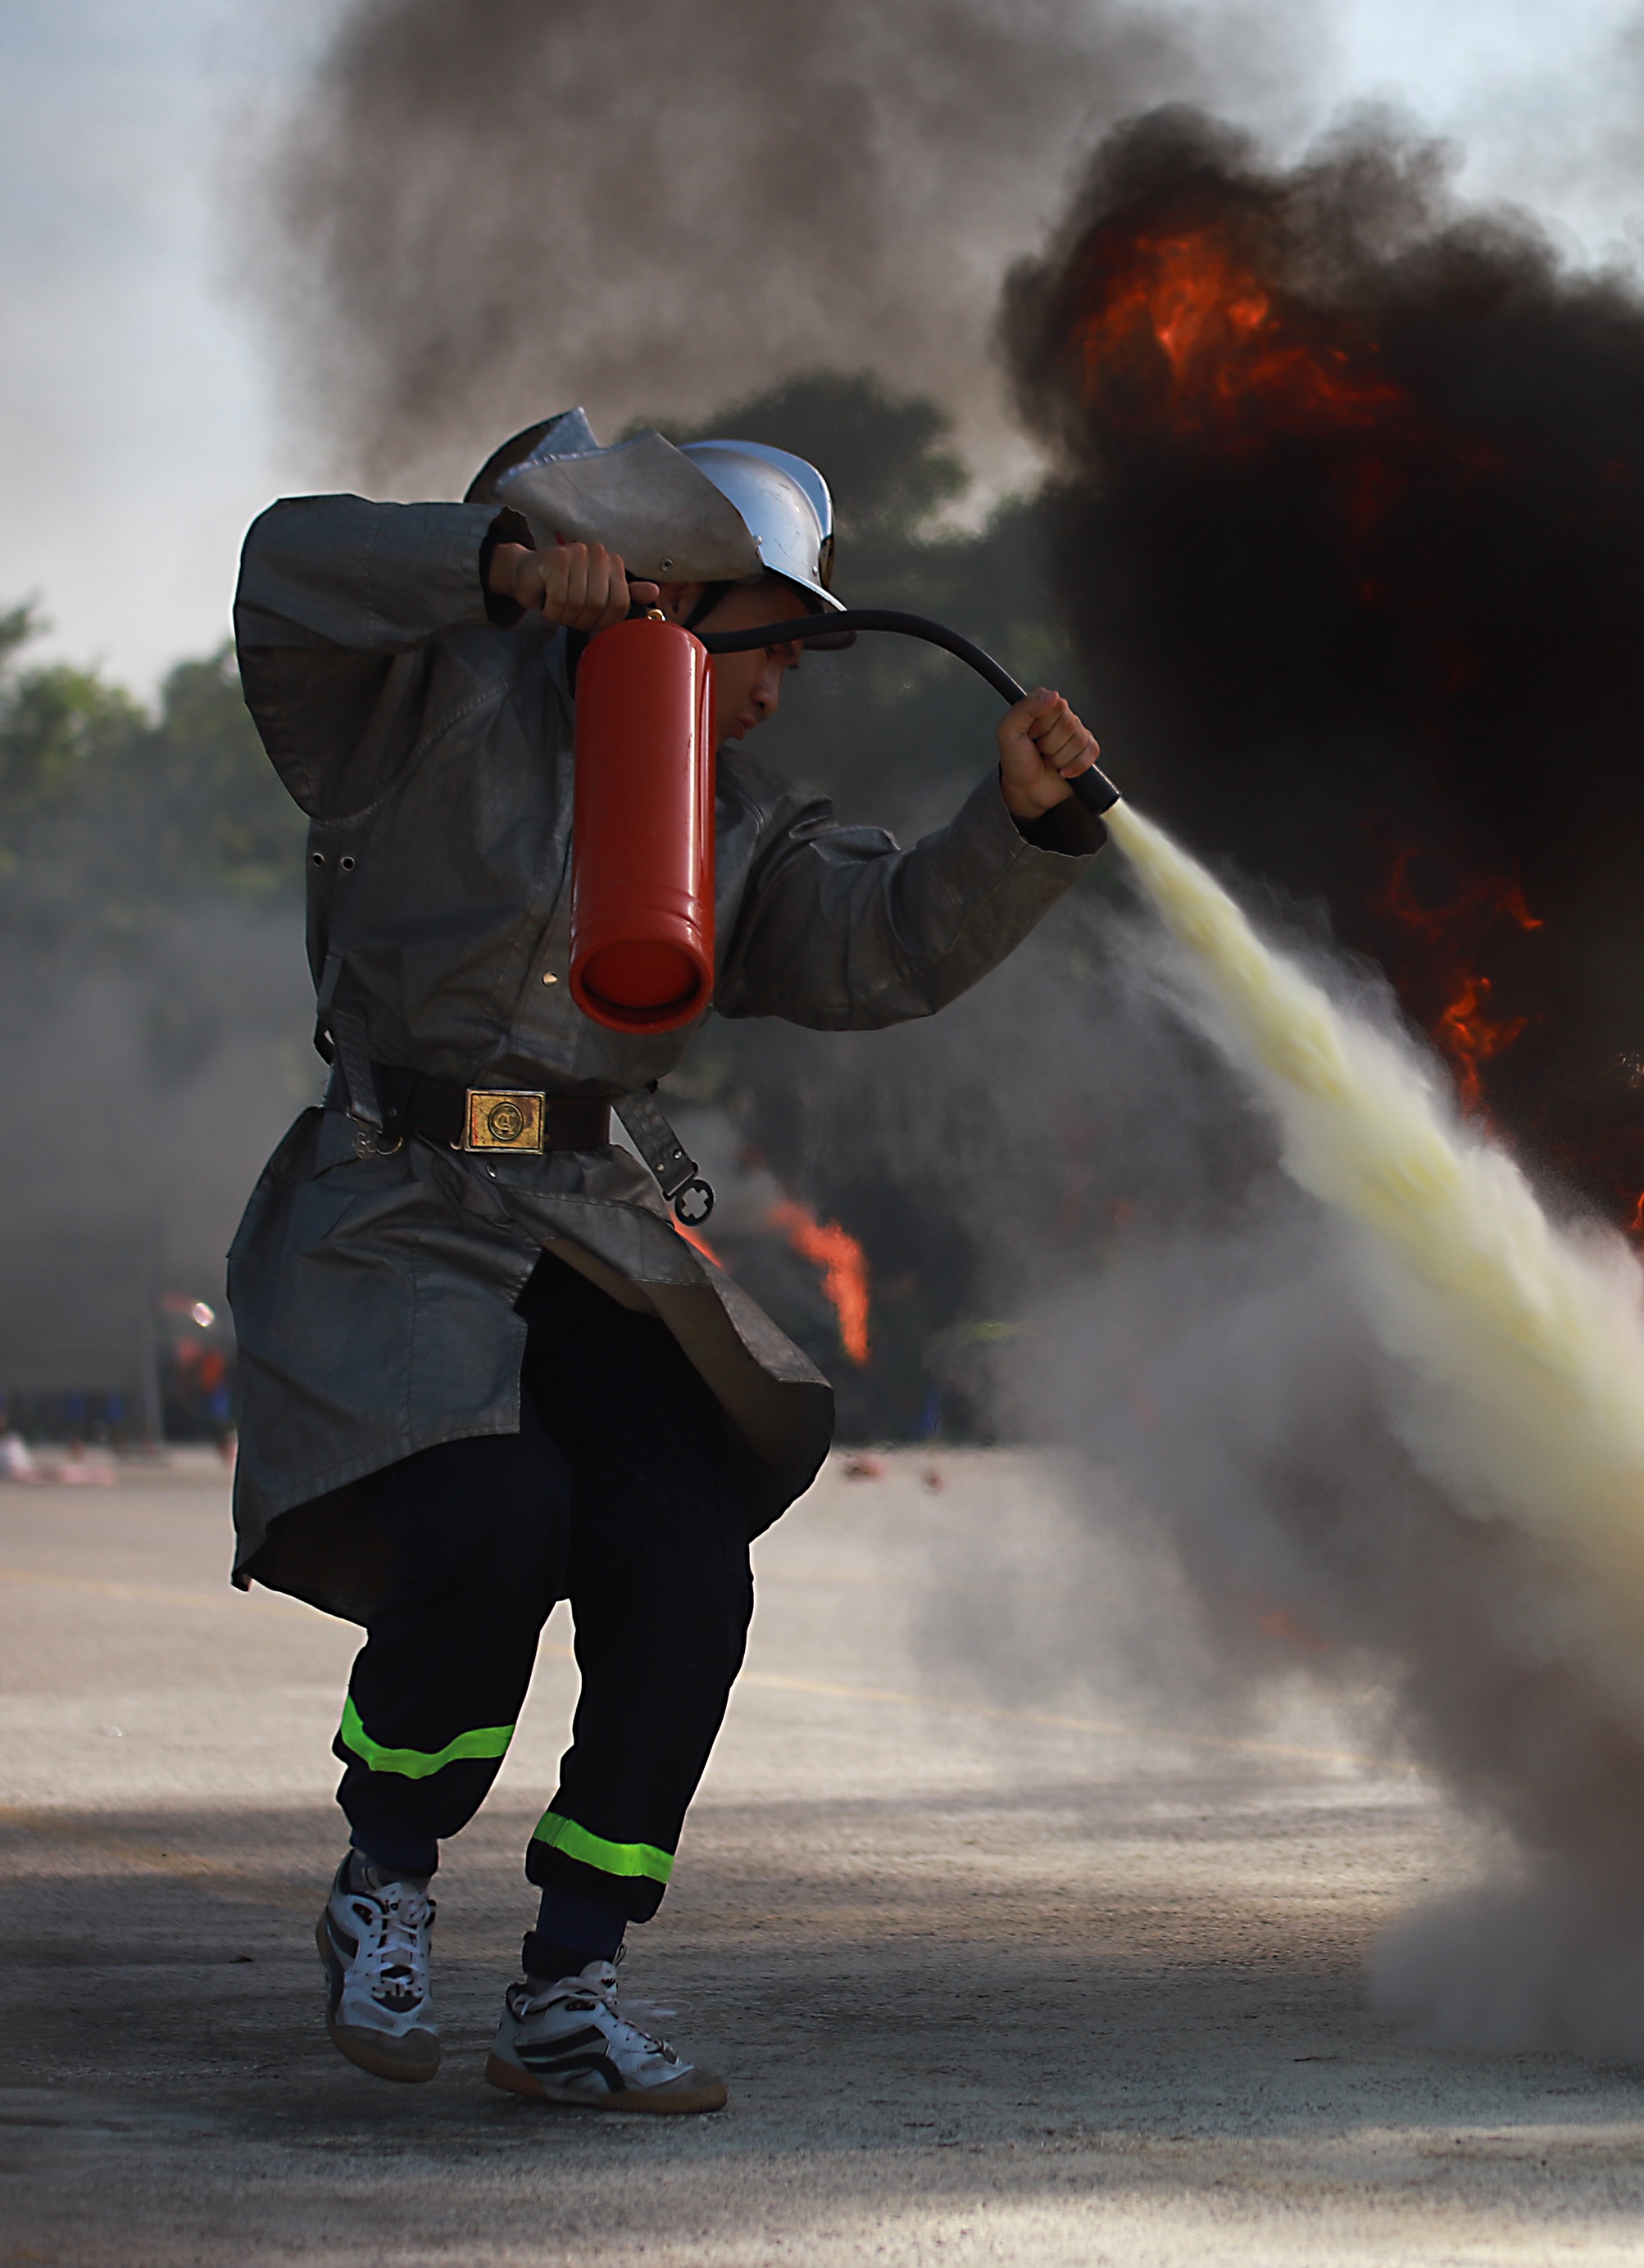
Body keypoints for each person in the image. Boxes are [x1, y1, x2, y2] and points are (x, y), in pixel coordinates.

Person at [228, 411, 1109, 2114]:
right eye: (767, 639)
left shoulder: (738, 820)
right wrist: (494, 573)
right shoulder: (420, 700)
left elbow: (879, 943)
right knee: (489, 1521)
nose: (782, 688)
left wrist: (1017, 833)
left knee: (686, 1563)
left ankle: (573, 1984)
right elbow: (286, 565)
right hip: (394, 1201)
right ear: (670, 595)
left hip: (591, 1214)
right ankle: (384, 1879)